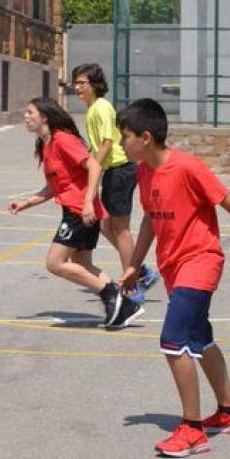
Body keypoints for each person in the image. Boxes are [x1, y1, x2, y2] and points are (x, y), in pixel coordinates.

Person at [114, 98, 230, 458]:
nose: (120, 143)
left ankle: (192, 431)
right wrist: (135, 264)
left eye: (124, 136)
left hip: (200, 262)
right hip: (173, 265)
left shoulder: (187, 167)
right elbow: (149, 219)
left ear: (145, 137)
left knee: (173, 341)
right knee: (200, 339)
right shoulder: (144, 171)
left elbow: (229, 201)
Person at [7, 98, 132, 326]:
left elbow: (94, 165)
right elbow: (54, 187)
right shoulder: (46, 145)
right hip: (75, 209)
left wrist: (87, 201)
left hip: (80, 210)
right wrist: (26, 203)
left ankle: (111, 292)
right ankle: (127, 304)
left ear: (44, 117)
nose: (25, 117)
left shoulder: (63, 139)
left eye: (30, 112)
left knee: (54, 263)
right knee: (82, 264)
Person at [72, 63, 158, 303]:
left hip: (120, 169)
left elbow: (107, 144)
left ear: (96, 85)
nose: (77, 87)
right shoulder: (92, 110)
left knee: (120, 229)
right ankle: (140, 271)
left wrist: (93, 170)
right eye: (75, 83)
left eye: (82, 83)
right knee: (105, 225)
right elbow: (97, 146)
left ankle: (133, 283)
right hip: (113, 170)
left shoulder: (101, 107)